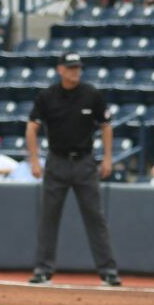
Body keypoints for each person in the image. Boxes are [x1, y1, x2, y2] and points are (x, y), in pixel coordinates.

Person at [26, 53, 121, 287]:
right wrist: (35, 161)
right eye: (70, 68)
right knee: (49, 217)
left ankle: (108, 270)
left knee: (95, 217)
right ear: (60, 69)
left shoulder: (91, 94)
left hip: (84, 162)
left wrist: (108, 158)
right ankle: (43, 268)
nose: (75, 71)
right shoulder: (47, 96)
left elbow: (106, 126)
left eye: (78, 68)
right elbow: (31, 127)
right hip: (56, 161)